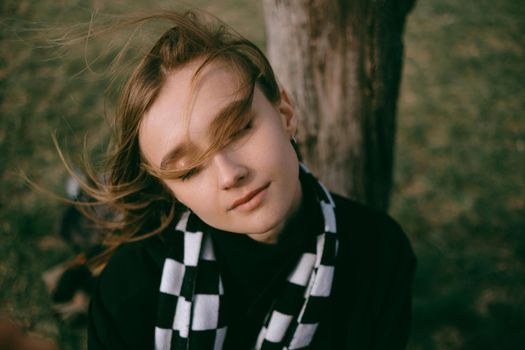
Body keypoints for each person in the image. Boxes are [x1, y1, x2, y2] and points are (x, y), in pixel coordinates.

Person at [84, 10, 417, 350]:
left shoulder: (379, 253)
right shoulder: (129, 294)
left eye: (237, 129)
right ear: (169, 189)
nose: (230, 175)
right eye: (187, 170)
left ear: (284, 113)